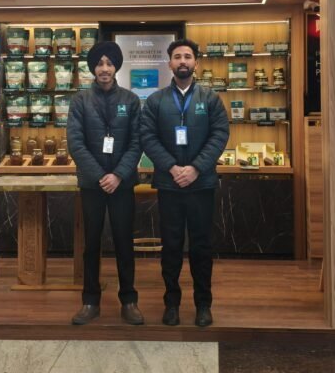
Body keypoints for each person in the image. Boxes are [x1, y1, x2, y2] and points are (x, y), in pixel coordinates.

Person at [140, 38, 229, 327]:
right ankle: (172, 304)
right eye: (177, 56)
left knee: (201, 247)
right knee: (171, 247)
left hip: (201, 184)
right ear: (169, 63)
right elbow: (148, 137)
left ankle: (203, 304)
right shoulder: (156, 101)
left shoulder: (210, 99)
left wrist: (195, 168)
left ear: (196, 63)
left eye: (187, 56)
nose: (182, 61)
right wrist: (171, 167)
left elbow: (219, 134)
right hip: (169, 185)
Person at [66, 40, 144, 326]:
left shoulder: (131, 100)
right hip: (92, 185)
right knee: (91, 244)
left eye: (109, 63)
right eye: (99, 64)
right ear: (93, 68)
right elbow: (76, 143)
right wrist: (101, 175)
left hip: (122, 184)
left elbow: (137, 143)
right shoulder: (80, 101)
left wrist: (118, 175)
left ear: (116, 67)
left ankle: (129, 301)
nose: (104, 68)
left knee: (124, 242)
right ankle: (90, 301)